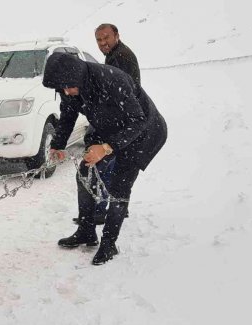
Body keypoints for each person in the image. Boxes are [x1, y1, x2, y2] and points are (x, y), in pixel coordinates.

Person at [42, 52, 167, 265]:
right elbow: (69, 114)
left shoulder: (113, 80)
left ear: (78, 77)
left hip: (142, 132)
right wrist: (58, 144)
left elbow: (137, 121)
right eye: (61, 89)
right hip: (108, 127)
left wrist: (107, 148)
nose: (66, 92)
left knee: (119, 187)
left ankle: (109, 243)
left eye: (68, 87)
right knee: (85, 173)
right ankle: (86, 231)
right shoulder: (69, 85)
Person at [74, 23, 143, 226]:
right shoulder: (114, 54)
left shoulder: (121, 57)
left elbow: (117, 91)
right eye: (99, 40)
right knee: (114, 166)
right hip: (121, 118)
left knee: (104, 165)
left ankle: (100, 212)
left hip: (121, 119)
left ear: (117, 36)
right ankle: (114, 208)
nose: (103, 43)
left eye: (106, 38)